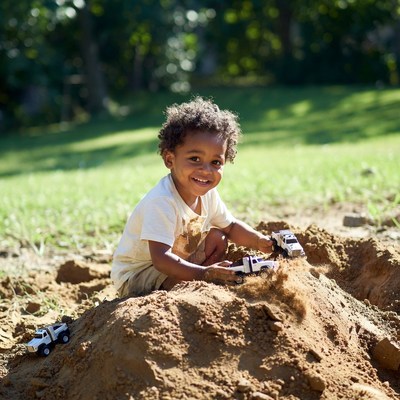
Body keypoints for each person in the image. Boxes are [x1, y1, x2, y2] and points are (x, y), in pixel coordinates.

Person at [111, 96, 273, 297]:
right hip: (138, 275)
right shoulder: (162, 201)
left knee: (218, 237)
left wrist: (259, 242)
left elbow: (231, 227)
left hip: (175, 261)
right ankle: (197, 287)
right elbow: (161, 259)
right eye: (195, 159)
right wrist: (203, 273)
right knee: (185, 275)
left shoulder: (209, 195)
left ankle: (203, 285)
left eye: (215, 162)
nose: (205, 170)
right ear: (170, 159)